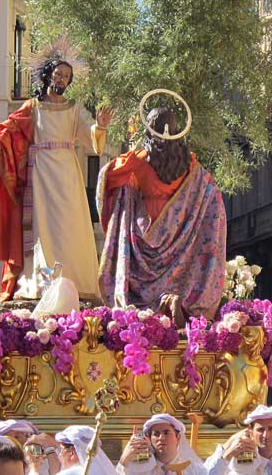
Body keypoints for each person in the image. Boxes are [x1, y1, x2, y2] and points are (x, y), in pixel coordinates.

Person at [0, 38, 113, 302]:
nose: (62, 79)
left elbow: (90, 136)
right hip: (40, 173)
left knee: (68, 225)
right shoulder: (32, 108)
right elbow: (10, 132)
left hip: (67, 173)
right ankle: (39, 283)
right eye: (59, 74)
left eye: (67, 76)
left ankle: (73, 281)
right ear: (49, 74)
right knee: (41, 226)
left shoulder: (74, 109)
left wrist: (101, 127)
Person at [97, 103, 226, 320]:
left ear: (149, 129)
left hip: (145, 229)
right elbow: (209, 188)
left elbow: (109, 177)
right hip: (179, 230)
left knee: (137, 289)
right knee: (175, 277)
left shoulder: (139, 160)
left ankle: (146, 311)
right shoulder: (189, 163)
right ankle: (172, 301)